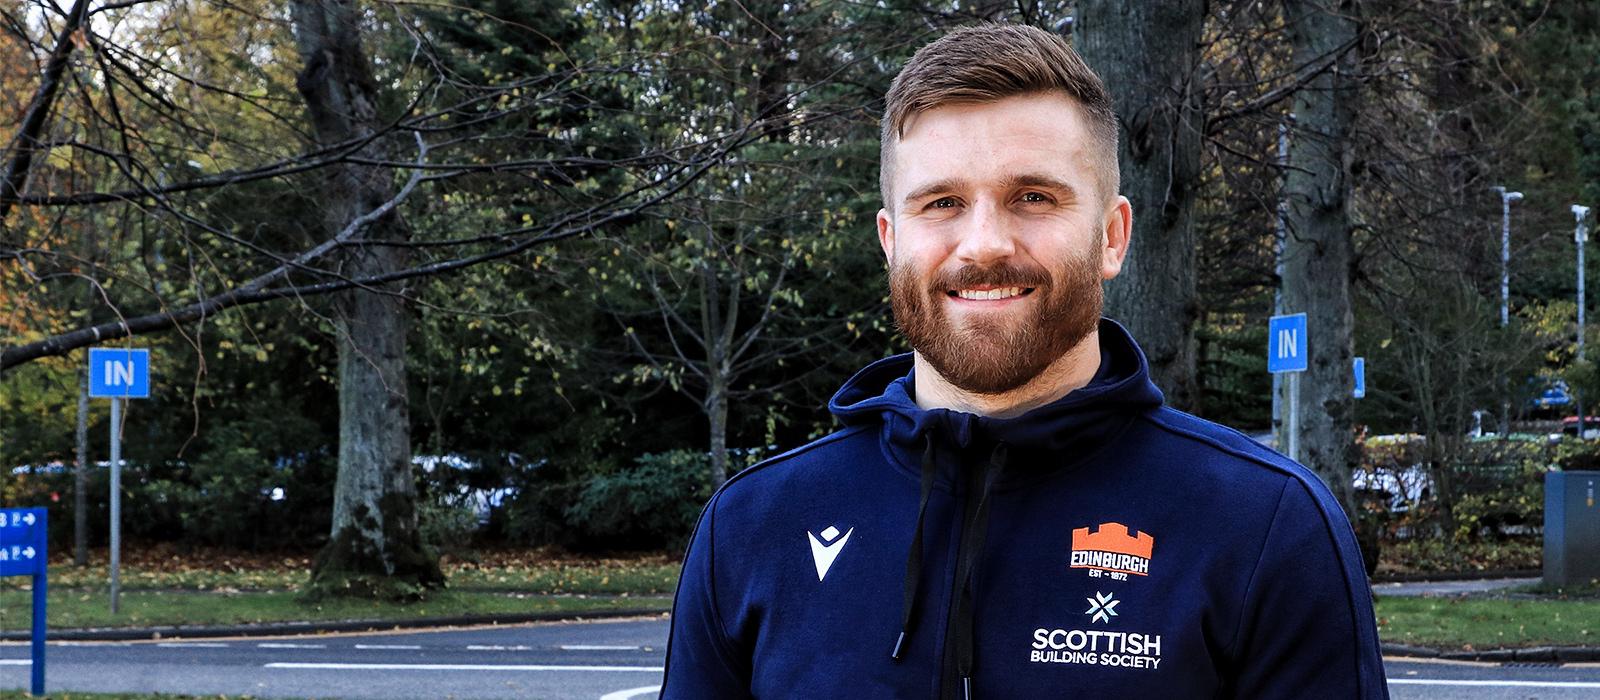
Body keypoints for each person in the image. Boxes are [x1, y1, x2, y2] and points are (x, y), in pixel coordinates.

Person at [660, 22, 1388, 700]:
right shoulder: (752, 527)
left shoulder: (1266, 527)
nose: (984, 244)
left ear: (1112, 236)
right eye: (941, 202)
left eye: (1033, 196)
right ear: (890, 240)